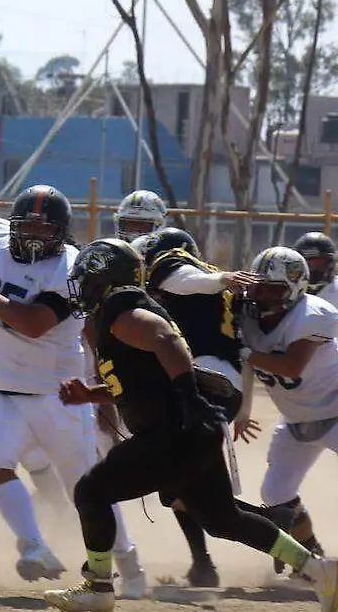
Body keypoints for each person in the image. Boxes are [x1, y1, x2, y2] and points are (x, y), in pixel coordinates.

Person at [43, 238, 338, 612]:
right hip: (191, 429)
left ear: (107, 279)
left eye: (87, 278)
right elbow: (139, 383)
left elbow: (165, 339)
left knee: (91, 491)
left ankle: (98, 588)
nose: (81, 286)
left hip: (173, 432)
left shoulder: (121, 309)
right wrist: (91, 395)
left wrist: (188, 397)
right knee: (223, 519)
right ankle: (319, 571)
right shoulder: (118, 313)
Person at [0, 185, 144, 595]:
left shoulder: (73, 268)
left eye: (45, 227)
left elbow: (34, 322)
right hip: (2, 389)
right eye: (28, 225)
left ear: (63, 232)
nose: (35, 234)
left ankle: (128, 560)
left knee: (86, 488)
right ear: (13, 226)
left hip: (58, 395)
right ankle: (34, 545)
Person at [139, 226, 259, 587]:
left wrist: (220, 278)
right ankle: (203, 564)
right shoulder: (215, 297)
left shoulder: (179, 266)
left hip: (204, 381)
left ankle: (283, 523)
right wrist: (244, 408)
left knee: (183, 487)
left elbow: (184, 280)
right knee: (185, 487)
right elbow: (245, 355)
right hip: (223, 384)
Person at [238, 246, 338, 579]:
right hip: (296, 420)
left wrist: (245, 352)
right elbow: (246, 368)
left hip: (336, 411)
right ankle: (313, 559)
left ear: (295, 289)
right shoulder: (248, 317)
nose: (262, 295)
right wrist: (242, 411)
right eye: (258, 286)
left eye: (273, 289)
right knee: (276, 494)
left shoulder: (313, 314)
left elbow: (292, 367)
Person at [293, 232, 338, 308]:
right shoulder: (289, 291)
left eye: (318, 263)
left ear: (331, 263)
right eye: (307, 263)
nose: (312, 269)